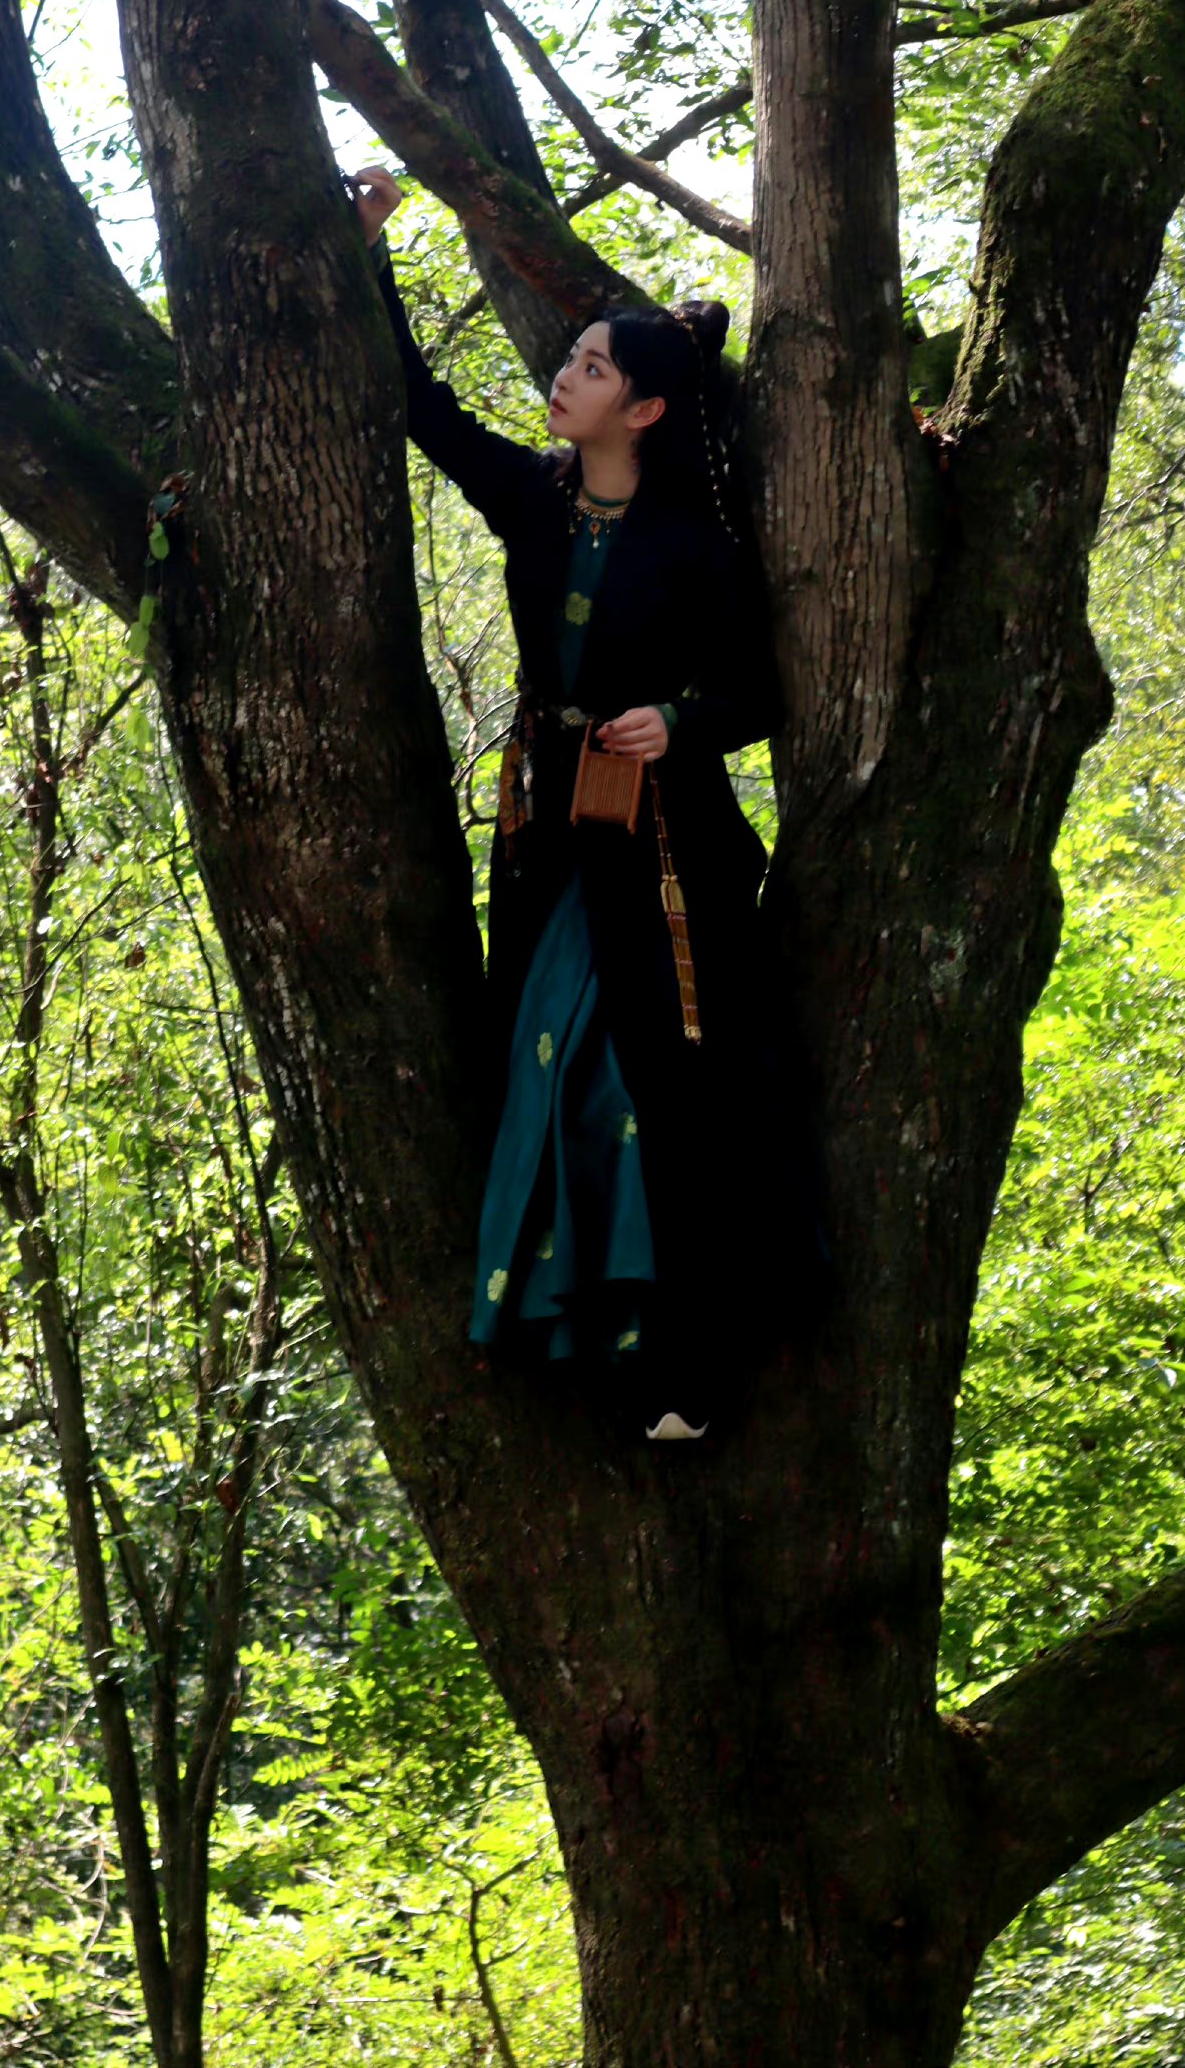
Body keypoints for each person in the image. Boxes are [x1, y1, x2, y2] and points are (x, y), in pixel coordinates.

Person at [352, 166, 807, 1443]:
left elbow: (759, 692)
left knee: (646, 1083)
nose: (566, 376)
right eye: (572, 358)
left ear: (646, 407)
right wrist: (370, 256)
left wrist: (682, 721)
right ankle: (565, 1330)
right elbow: (418, 408)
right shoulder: (532, 501)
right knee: (546, 1064)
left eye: (594, 369)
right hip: (546, 830)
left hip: (669, 851)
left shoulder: (696, 549)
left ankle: (675, 1363)